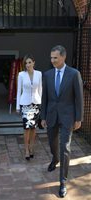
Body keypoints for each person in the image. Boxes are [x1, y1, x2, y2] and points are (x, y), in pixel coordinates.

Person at [41, 45, 84, 198]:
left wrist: (79, 118)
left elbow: (79, 97)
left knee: (65, 147)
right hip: (52, 115)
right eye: (51, 57)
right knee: (53, 144)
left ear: (63, 57)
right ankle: (55, 158)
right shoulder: (47, 75)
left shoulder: (74, 74)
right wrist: (43, 116)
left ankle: (63, 182)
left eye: (55, 58)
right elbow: (44, 97)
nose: (52, 60)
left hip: (68, 116)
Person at [16, 54, 42, 160]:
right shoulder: (21, 75)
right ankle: (26, 149)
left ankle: (32, 147)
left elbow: (41, 89)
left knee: (33, 128)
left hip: (36, 104)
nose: (27, 65)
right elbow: (19, 91)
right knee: (26, 128)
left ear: (34, 62)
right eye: (26, 63)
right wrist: (17, 106)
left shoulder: (39, 74)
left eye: (29, 62)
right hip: (25, 104)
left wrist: (41, 104)